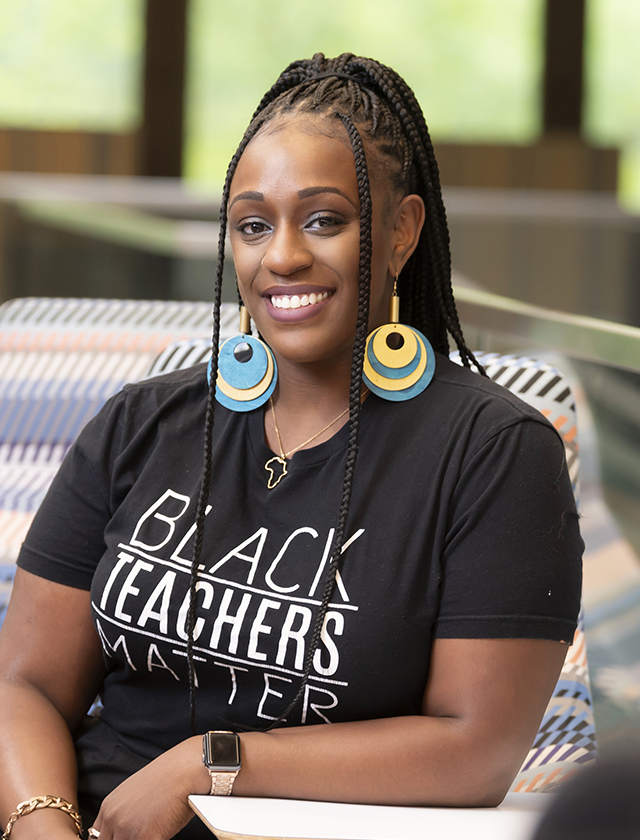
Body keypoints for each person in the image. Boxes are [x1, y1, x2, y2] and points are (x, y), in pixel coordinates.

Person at [0, 53, 582, 840]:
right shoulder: (141, 425)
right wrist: (43, 825)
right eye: (251, 224)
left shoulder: (494, 455)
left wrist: (211, 764)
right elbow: (25, 682)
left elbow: (472, 750)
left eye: (323, 219)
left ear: (402, 230)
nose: (281, 257)